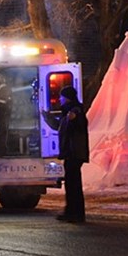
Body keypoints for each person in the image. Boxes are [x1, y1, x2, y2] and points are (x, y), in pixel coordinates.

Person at [56, 86, 89, 223]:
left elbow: (79, 124)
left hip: (74, 154)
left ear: (67, 98)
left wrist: (74, 118)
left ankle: (76, 213)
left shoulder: (75, 110)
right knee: (70, 184)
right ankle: (71, 211)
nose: (60, 99)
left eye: (62, 97)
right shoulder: (68, 112)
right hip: (71, 153)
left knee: (73, 185)